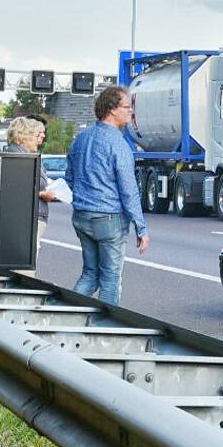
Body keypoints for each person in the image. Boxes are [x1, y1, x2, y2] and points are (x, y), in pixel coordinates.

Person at [65, 86, 149, 304]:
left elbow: (70, 177)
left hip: (82, 216)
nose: (131, 112)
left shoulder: (81, 138)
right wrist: (141, 227)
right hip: (109, 219)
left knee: (90, 275)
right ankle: (105, 322)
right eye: (127, 107)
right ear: (112, 109)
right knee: (111, 279)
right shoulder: (118, 144)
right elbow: (129, 190)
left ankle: (65, 313)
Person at [3, 115, 54, 269]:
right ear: (24, 136)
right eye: (37, 134)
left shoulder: (27, 156)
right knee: (25, 264)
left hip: (30, 217)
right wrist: (41, 194)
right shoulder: (18, 157)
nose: (42, 137)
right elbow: (14, 188)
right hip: (26, 218)